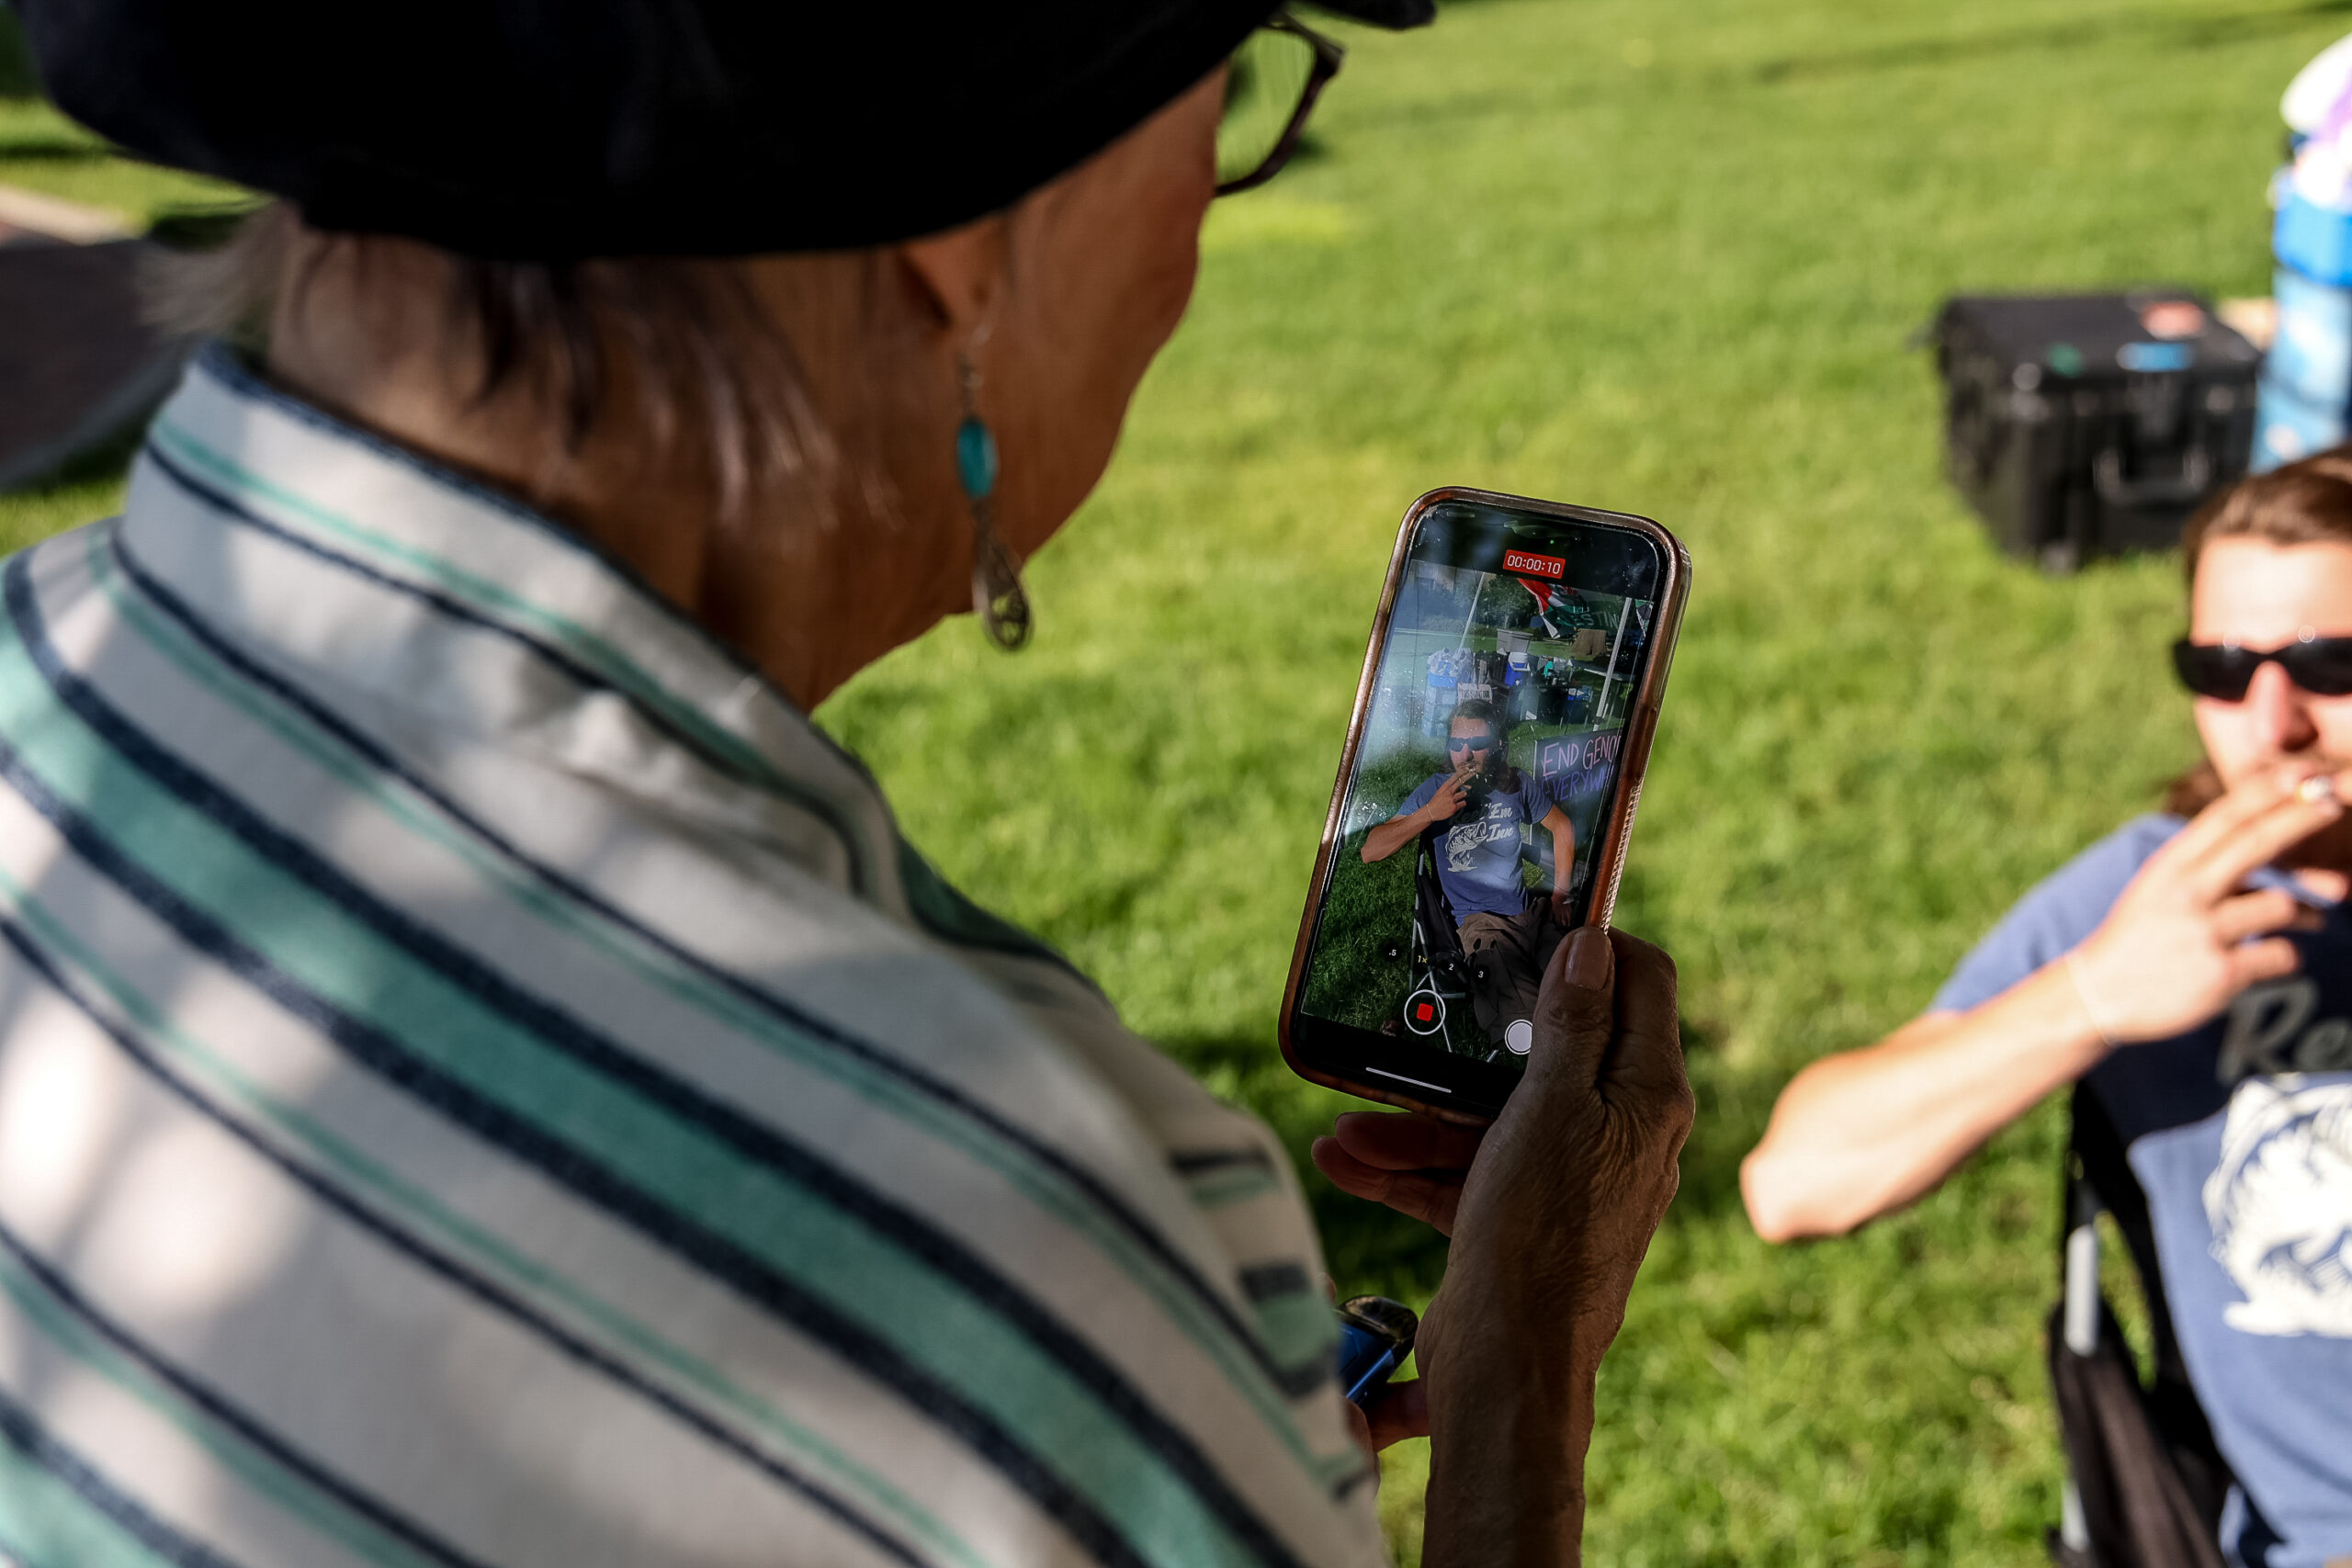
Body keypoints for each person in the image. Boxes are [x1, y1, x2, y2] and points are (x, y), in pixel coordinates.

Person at [1, 3, 1696, 1565]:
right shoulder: (1021, 1234)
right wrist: (1505, 1383)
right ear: (957, 244)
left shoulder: (36, 666)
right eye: (1229, 90)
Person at [1741, 454, 2352, 1568]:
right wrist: (2093, 996)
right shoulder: (2152, 898)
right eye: (2218, 666)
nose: (2271, 725)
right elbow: (1793, 1183)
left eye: (2329, 663)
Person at [1361, 701, 1577, 1055]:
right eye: (1456, 743)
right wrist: (1430, 813)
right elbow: (1371, 850)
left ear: (1496, 745)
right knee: (1532, 1015)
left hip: (1531, 916)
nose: (1465, 754)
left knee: (1577, 983)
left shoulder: (1516, 784)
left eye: (1477, 743)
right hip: (1482, 927)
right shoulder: (1435, 789)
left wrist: (1560, 894)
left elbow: (1562, 828)